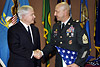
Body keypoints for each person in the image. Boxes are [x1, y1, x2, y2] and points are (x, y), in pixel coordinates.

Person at [34, 2, 90, 67]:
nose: (54, 14)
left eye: (56, 11)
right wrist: (42, 52)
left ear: (65, 12)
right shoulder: (56, 26)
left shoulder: (77, 26)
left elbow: (85, 47)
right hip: (59, 63)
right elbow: (52, 44)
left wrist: (77, 63)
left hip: (73, 63)